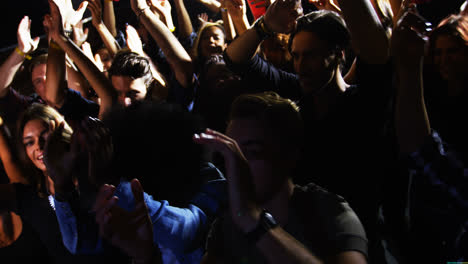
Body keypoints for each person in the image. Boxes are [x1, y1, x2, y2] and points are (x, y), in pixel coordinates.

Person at [223, 0, 393, 262]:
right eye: (297, 55)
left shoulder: (365, 102)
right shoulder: (295, 98)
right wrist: (265, 26)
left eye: (311, 54)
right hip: (297, 240)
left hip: (360, 242)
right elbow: (235, 60)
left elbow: (377, 55)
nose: (301, 65)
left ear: (338, 53)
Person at [194, 91, 368, 263]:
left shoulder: (329, 215)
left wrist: (254, 221)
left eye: (253, 152)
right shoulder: (228, 226)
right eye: (232, 154)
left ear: (289, 155)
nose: (238, 166)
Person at [0, 103, 128, 263]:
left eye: (44, 136)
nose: (39, 146)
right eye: (29, 142)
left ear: (60, 133)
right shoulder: (29, 198)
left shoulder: (94, 176)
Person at [390, 6, 468, 262]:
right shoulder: (433, 95)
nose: (444, 59)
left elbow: (426, 153)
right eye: (438, 53)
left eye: (453, 52)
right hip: (429, 216)